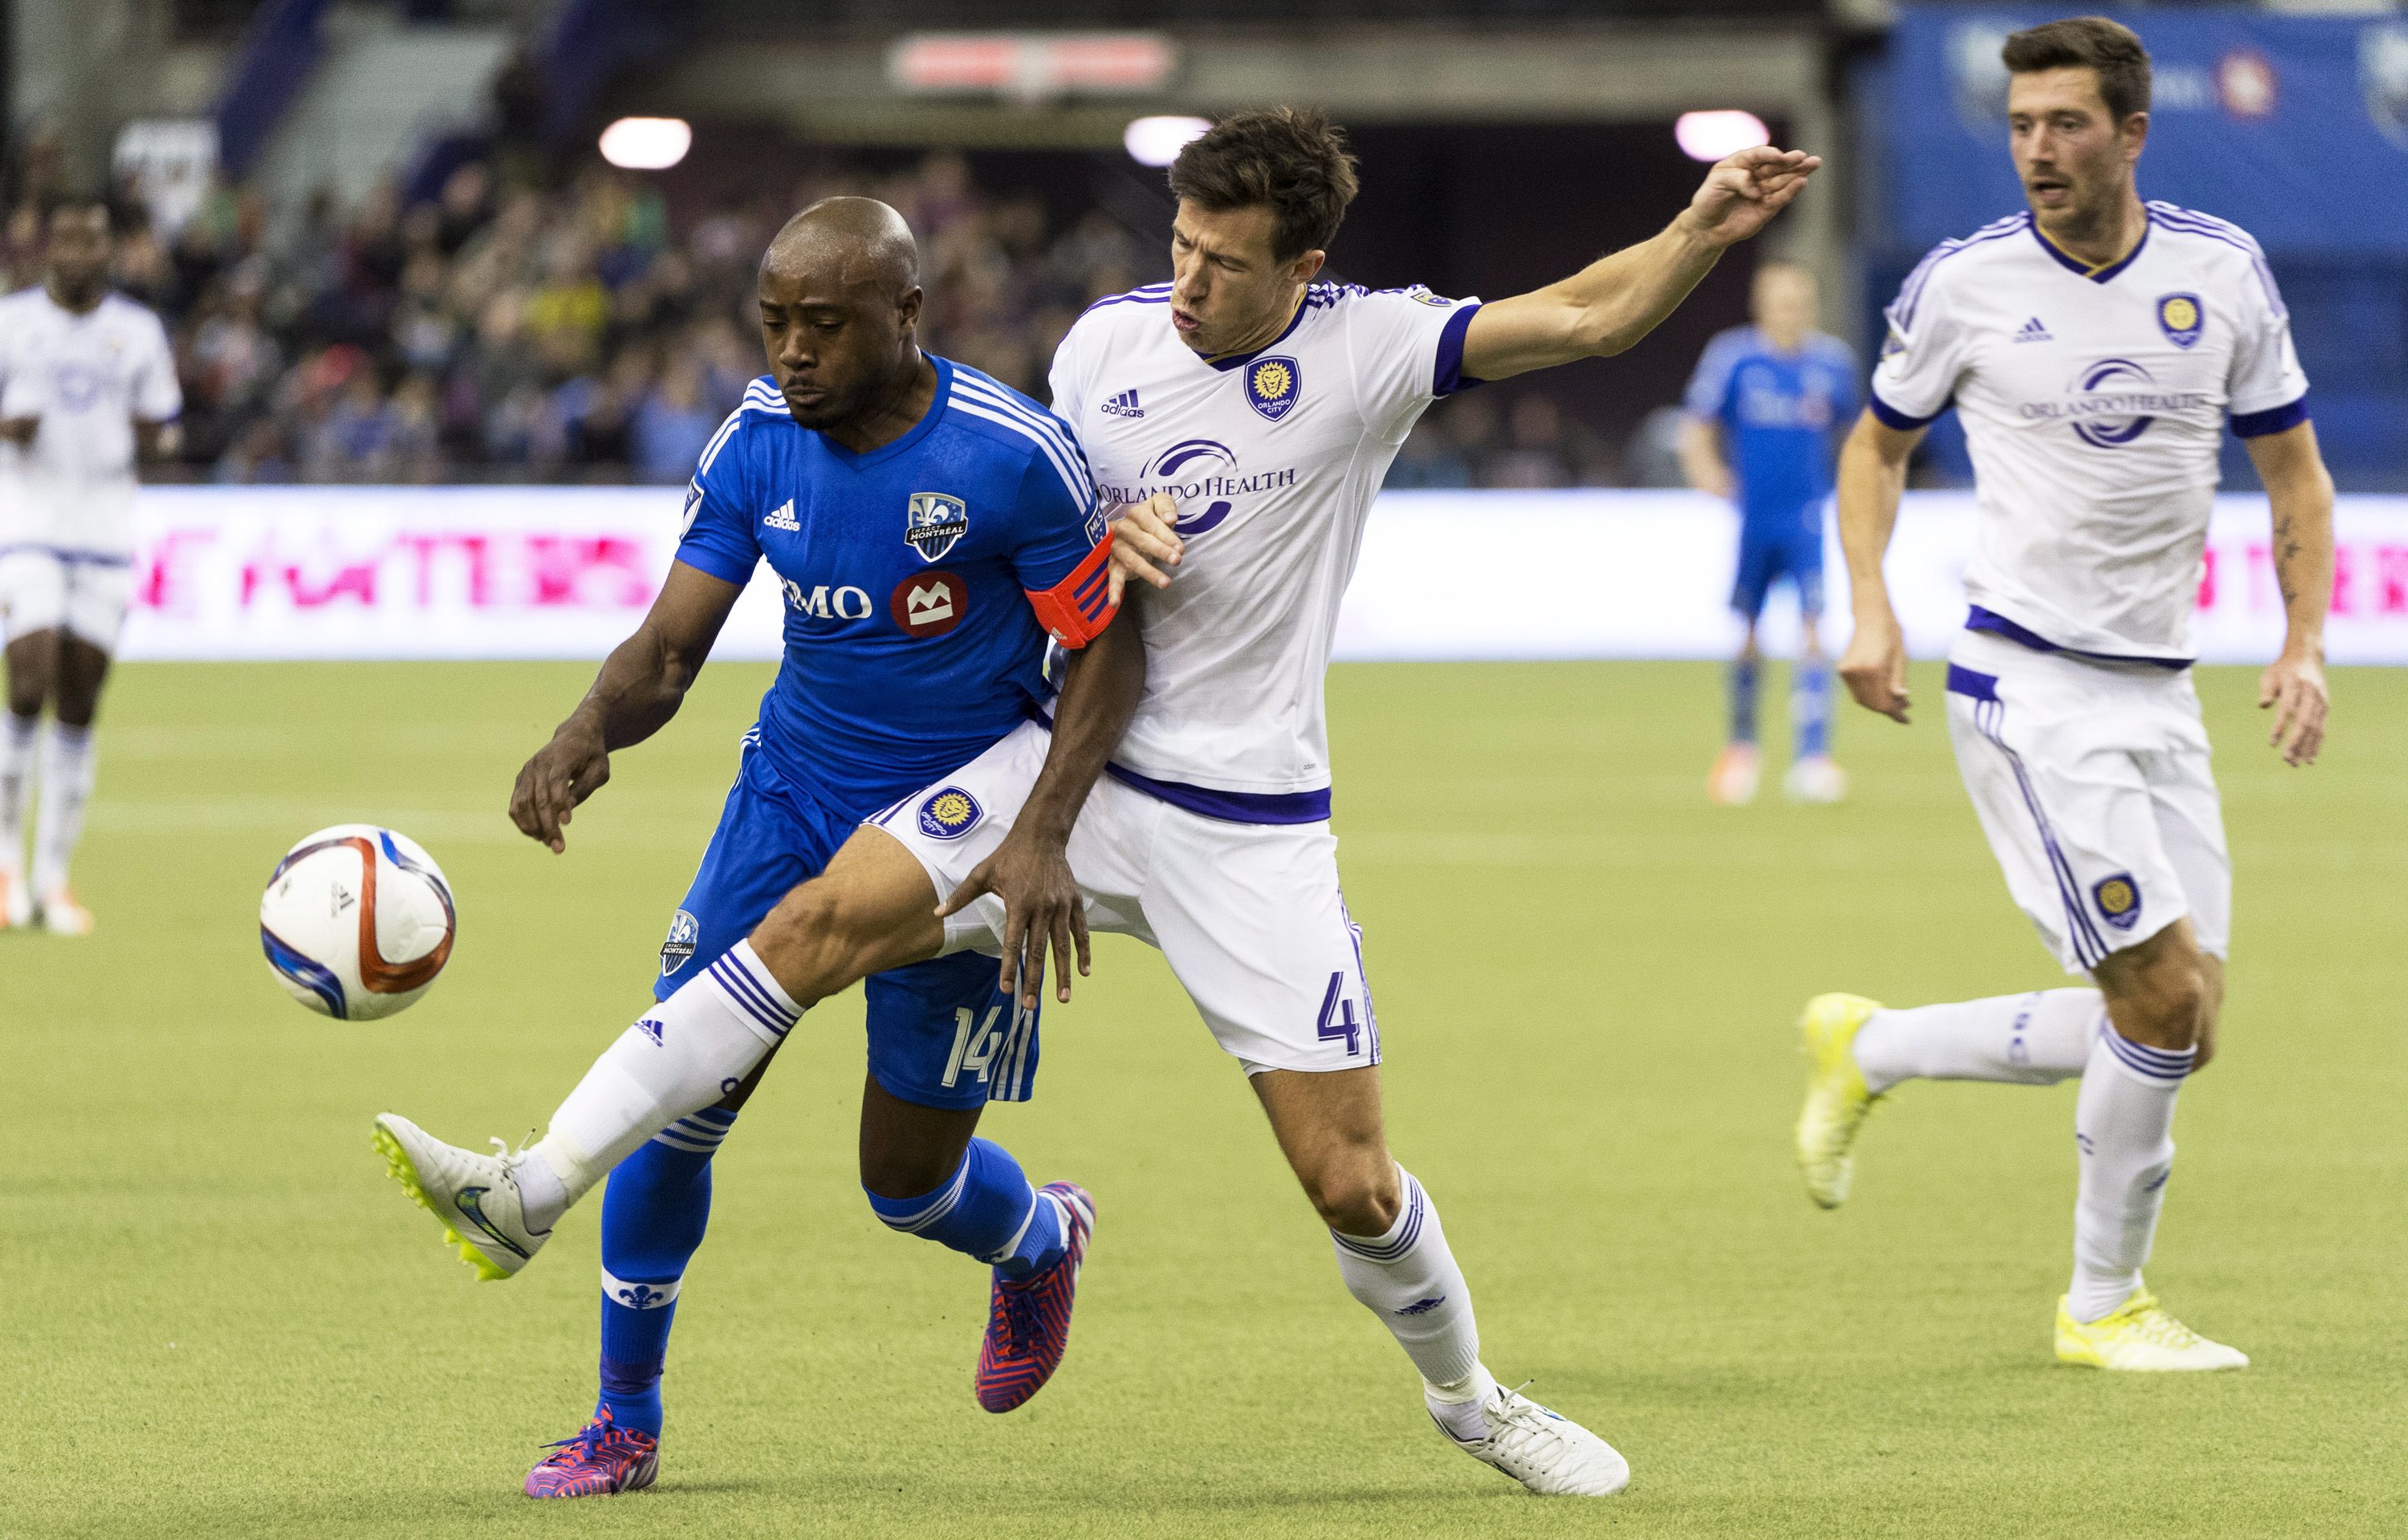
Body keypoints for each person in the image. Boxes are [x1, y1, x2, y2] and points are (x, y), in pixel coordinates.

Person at [379, 109, 1816, 1499]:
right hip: (1052, 760)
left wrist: (1700, 226)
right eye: (1180, 245)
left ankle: (1472, 1397)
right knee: (807, 927)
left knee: (1350, 1182)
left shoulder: (1371, 346)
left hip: (1246, 817)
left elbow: (1589, 318)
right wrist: (1076, 624)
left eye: (1224, 262)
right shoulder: (1104, 345)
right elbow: (1053, 561)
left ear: (1302, 268)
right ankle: (533, 1188)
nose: (1187, 283)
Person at [374, 197, 1142, 1498]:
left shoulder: (1012, 457)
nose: (792, 349)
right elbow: (672, 646)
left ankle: (1038, 1240)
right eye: (776, 321)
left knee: (906, 1184)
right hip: (786, 806)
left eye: (823, 324)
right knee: (675, 1109)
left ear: (907, 314)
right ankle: (624, 1419)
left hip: (961, 839)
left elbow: (1105, 647)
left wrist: (1046, 831)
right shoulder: (757, 442)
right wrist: (586, 730)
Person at [1793, 18, 2332, 1372]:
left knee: (2183, 1022)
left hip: (2160, 689)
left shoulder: (2221, 272)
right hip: (2025, 682)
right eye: (2023, 124)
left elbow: (2295, 474)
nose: (2038, 148)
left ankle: (1876, 1046)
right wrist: (1871, 607)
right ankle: (2103, 1303)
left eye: (2068, 124)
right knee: (2158, 995)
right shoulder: (1964, 284)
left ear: (2132, 133)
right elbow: (1874, 450)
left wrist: (2303, 643)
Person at [0, 201, 182, 932]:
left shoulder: (137, 332)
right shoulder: (12, 322)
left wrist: (151, 436)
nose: (78, 253)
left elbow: (165, 426)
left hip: (105, 531)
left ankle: (52, 879)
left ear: (110, 251)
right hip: (27, 525)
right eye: (68, 239)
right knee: (29, 675)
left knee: (80, 696)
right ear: (50, 247)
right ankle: (5, 865)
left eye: (93, 241)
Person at [1678, 260, 1857, 804]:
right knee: (1748, 633)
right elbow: (1697, 422)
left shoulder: (1832, 364)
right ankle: (1742, 750)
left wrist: (1853, 487)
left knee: (1813, 631)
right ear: (1761, 305)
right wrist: (1707, 472)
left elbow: (1860, 435)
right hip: (1754, 520)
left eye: (1799, 302)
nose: (1790, 312)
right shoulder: (1734, 357)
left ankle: (1813, 756)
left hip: (1806, 519)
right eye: (1781, 301)